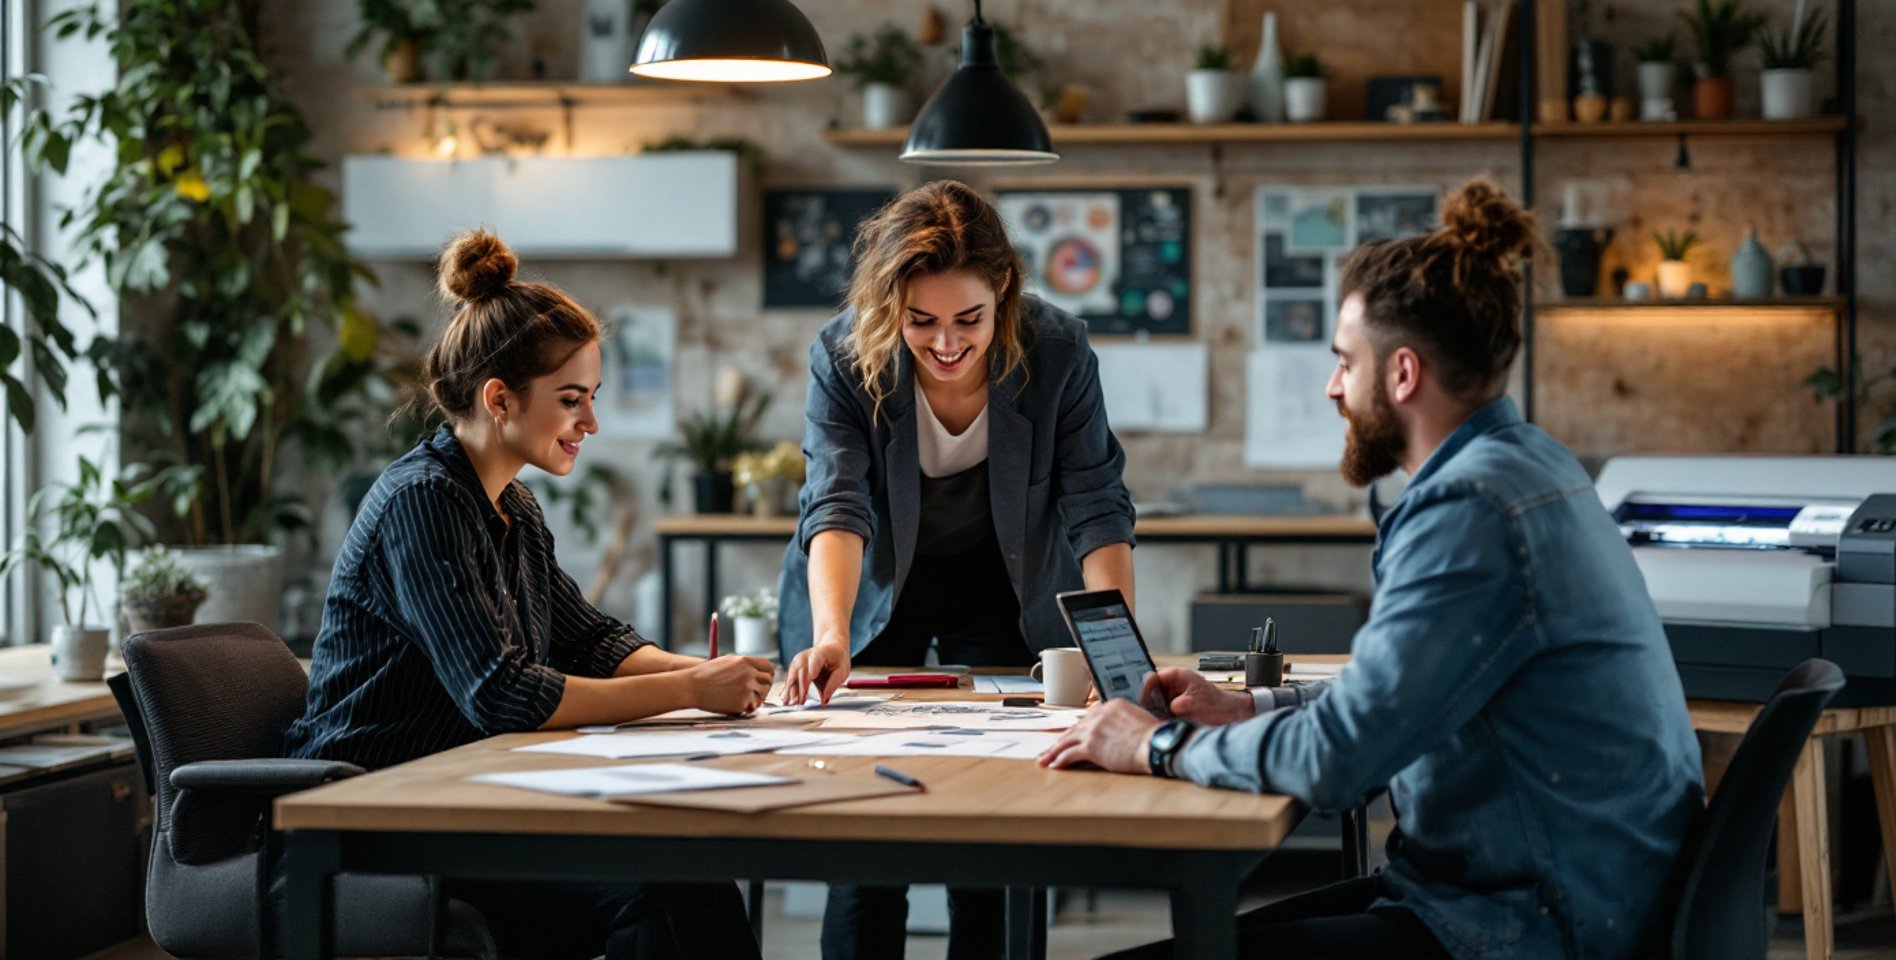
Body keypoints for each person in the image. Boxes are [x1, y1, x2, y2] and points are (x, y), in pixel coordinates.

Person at [1039, 177, 1704, 960]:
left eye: (1343, 363)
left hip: (1524, 922)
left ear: (1402, 375)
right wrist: (1249, 708)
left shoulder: (1470, 511)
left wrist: (1151, 747)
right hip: (1541, 892)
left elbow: (1338, 763)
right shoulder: (1533, 468)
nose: (1331, 388)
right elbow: (1409, 692)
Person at [283, 229, 768, 960]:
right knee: (669, 895)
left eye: (593, 398)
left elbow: (593, 642)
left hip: (470, 796)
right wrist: (694, 687)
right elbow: (503, 693)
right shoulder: (422, 503)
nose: (591, 423)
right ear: (499, 398)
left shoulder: (514, 507)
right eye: (571, 400)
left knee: (688, 879)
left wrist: (724, 678)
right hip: (381, 816)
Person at [777, 180, 1137, 960]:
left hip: (1000, 579)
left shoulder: (1058, 351)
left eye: (968, 320)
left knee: (996, 826)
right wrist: (833, 635)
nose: (946, 343)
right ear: (889, 304)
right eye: (921, 321)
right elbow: (836, 504)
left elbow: (1096, 504)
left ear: (1003, 287)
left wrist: (1116, 653)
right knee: (866, 834)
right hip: (872, 588)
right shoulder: (845, 355)